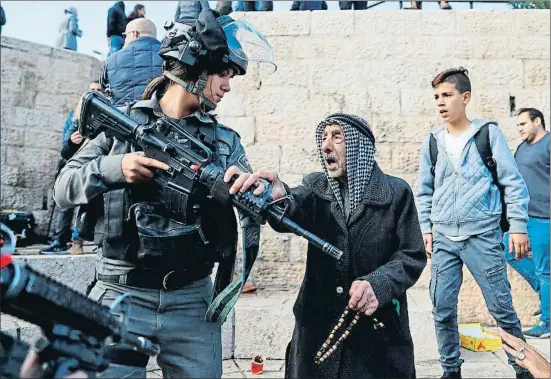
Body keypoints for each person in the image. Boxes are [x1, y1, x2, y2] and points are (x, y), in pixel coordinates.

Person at [53, 9, 275, 378]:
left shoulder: (223, 142)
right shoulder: (121, 124)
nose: (227, 86)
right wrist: (115, 168)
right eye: (223, 74)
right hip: (121, 292)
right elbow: (64, 187)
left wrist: (263, 189)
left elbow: (257, 199)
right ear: (194, 66)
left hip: (191, 301)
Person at [229, 113, 427, 378]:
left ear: (360, 147)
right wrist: (278, 196)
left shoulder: (395, 193)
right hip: (318, 328)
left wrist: (377, 284)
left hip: (376, 334)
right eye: (323, 138)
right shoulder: (315, 188)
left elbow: (411, 255)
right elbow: (292, 208)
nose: (326, 146)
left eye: (337, 137)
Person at [417, 67, 533, 379]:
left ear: (465, 97)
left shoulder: (487, 135)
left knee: (502, 311)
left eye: (447, 95)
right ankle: (450, 370)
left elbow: (513, 183)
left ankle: (524, 371)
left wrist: (519, 226)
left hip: (482, 236)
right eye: (437, 97)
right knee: (441, 310)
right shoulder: (432, 142)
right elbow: (424, 191)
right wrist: (426, 229)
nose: (441, 102)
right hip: (444, 240)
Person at [41, 81, 102, 255]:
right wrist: (71, 142)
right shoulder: (75, 116)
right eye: (92, 90)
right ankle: (60, 241)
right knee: (65, 204)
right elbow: (64, 149)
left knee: (87, 205)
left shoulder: (106, 115)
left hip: (92, 166)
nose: (95, 93)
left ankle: (77, 241)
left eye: (99, 90)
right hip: (73, 164)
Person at [504, 108, 549, 338]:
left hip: (545, 219)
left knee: (545, 270)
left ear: (537, 121)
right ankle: (545, 295)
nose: (520, 128)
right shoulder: (521, 148)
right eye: (518, 125)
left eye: (523, 124)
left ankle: (548, 323)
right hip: (523, 219)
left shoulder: (549, 144)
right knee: (507, 250)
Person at [100, 18, 162, 106]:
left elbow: (104, 91)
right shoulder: (169, 56)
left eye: (125, 36)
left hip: (122, 117)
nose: (124, 40)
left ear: (134, 34)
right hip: (161, 117)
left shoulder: (111, 59)